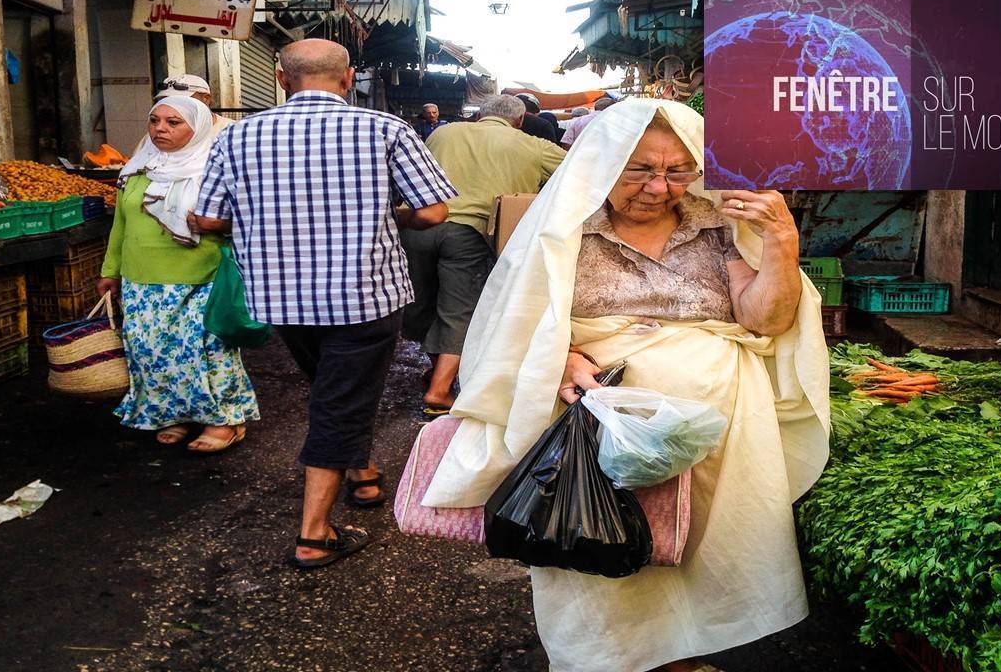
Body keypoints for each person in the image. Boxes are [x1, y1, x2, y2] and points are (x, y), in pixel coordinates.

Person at [420, 99, 830, 672]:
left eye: (677, 171)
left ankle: (677, 656)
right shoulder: (563, 230)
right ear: (602, 163)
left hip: (714, 436)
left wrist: (782, 243)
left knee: (690, 552)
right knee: (591, 535)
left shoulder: (718, 230)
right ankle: (609, 661)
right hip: (594, 429)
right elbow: (515, 322)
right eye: (639, 170)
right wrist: (557, 356)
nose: (660, 187)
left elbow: (764, 319)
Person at [189, 39, 457, 569]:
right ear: (348, 77)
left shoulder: (239, 135)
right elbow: (432, 213)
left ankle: (361, 473)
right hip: (364, 295)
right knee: (339, 400)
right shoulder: (386, 130)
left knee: (334, 390)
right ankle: (314, 534)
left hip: (281, 297)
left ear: (281, 78)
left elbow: (212, 220)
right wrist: (392, 216)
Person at [97, 96, 260, 453]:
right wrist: (110, 271)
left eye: (174, 123)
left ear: (198, 127)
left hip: (200, 276)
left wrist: (212, 224)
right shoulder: (138, 170)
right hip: (141, 279)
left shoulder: (215, 170)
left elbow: (251, 221)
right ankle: (174, 414)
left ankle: (226, 420)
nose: (160, 129)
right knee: (151, 351)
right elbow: (120, 225)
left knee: (206, 351)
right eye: (155, 121)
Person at [400, 95, 566, 416]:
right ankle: (439, 390)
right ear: (519, 120)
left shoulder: (442, 133)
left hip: (417, 226)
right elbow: (576, 171)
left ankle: (437, 369)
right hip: (469, 234)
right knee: (459, 310)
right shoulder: (531, 144)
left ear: (479, 115)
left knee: (420, 301)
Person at [131, 74, 234, 155]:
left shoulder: (232, 132)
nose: (174, 106)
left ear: (206, 99)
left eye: (182, 101)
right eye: (167, 100)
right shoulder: (155, 137)